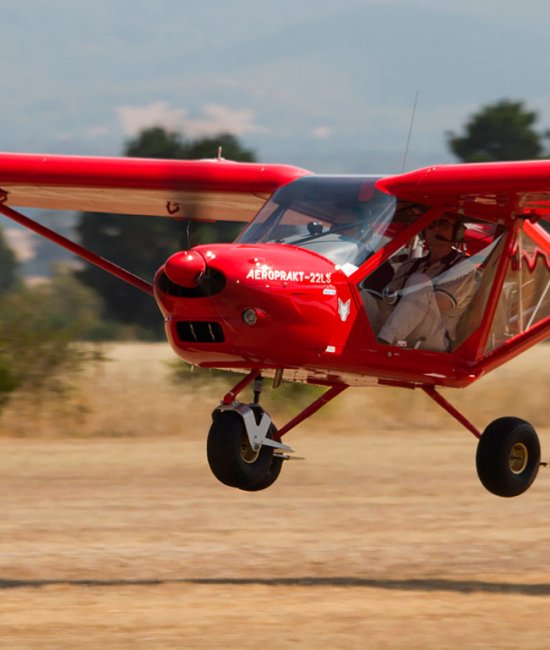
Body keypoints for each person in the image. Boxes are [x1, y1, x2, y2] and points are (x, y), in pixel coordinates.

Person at [361, 214, 477, 351]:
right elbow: (388, 299)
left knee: (419, 280)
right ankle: (350, 345)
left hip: (436, 337)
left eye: (444, 224)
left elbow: (440, 303)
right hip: (402, 324)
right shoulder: (410, 264)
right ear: (424, 232)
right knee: (363, 297)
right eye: (431, 225)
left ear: (457, 233)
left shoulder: (463, 267)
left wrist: (405, 294)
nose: (436, 230)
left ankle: (384, 345)